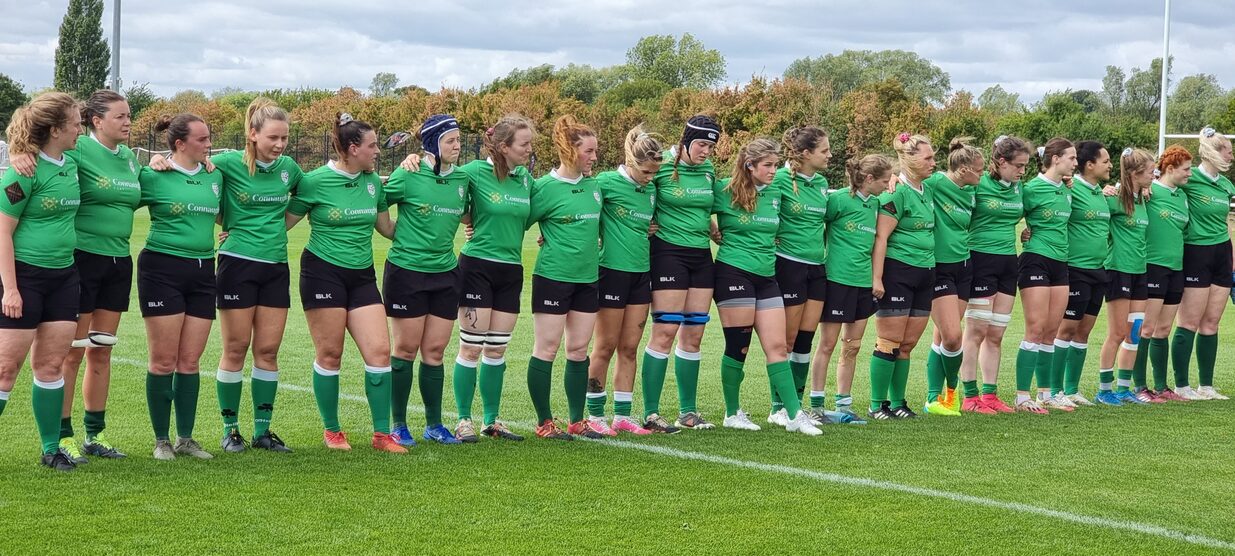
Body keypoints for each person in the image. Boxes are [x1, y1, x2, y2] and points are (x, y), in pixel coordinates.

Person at [10, 89, 138, 459]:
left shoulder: (130, 158)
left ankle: (94, 434)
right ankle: (62, 435)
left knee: (101, 350)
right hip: (81, 259)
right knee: (70, 354)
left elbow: (142, 194)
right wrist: (18, 153)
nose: (129, 121)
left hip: (119, 260)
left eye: (129, 114)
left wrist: (165, 164)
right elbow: (39, 150)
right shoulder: (77, 148)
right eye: (121, 116)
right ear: (95, 121)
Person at [405, 115, 535, 441]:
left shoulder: (525, 180)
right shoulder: (473, 172)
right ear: (504, 147)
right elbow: (447, 189)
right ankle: (464, 420)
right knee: (472, 348)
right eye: (525, 144)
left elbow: (535, 214)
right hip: (476, 267)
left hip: (511, 270)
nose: (530, 150)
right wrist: (415, 158)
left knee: (497, 349)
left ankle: (492, 420)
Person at [287, 113, 404, 453]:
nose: (378, 151)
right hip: (322, 272)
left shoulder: (373, 183)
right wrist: (237, 228)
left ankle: (382, 435)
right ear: (353, 149)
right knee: (330, 353)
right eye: (372, 146)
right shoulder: (314, 181)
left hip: (362, 274)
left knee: (381, 352)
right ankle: (332, 431)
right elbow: (283, 223)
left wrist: (430, 224)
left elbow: (387, 229)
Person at [208, 98, 301, 453]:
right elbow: (192, 173)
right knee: (235, 347)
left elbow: (306, 198)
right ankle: (230, 430)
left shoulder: (289, 168)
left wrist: (279, 228)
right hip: (237, 265)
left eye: (284, 139)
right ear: (252, 134)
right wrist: (226, 223)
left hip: (275, 266)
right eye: (273, 138)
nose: (279, 145)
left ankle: (263, 431)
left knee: (268, 350)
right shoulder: (228, 163)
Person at [711, 138, 821, 435]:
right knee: (739, 346)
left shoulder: (779, 189)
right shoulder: (723, 190)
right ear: (749, 166)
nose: (774, 170)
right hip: (733, 274)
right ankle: (732, 412)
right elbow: (690, 208)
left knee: (777, 347)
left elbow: (811, 197)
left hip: (767, 276)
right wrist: (712, 231)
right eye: (768, 165)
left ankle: (794, 415)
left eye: (776, 164)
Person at [0, 92, 83, 470]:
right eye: (76, 124)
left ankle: (52, 450)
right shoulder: (23, 170)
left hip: (64, 276)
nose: (80, 128)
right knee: (6, 368)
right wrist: (11, 288)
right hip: (24, 278)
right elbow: (3, 232)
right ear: (55, 130)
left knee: (51, 365)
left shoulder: (74, 161)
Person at [137, 113, 222, 460]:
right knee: (163, 361)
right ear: (179, 144)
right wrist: (155, 160)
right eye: (202, 140)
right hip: (162, 269)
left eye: (208, 138)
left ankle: (186, 439)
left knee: (190, 360)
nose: (208, 144)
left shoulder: (215, 177)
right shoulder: (154, 175)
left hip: (204, 270)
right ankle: (161, 440)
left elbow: (226, 215)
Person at [383, 114, 467, 445]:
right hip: (407, 272)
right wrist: (391, 231)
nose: (457, 146)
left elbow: (474, 211)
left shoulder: (463, 178)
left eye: (459, 139)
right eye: (450, 140)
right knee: (405, 349)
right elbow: (377, 201)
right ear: (432, 144)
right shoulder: (409, 173)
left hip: (446, 274)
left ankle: (434, 424)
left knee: (434, 350)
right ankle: (399, 424)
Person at [641, 115, 722, 432]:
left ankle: (688, 412)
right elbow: (637, 189)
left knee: (694, 334)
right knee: (665, 332)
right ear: (686, 140)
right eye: (702, 144)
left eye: (711, 146)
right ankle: (651, 413)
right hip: (667, 254)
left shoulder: (709, 170)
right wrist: (643, 222)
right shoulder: (661, 165)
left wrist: (713, 229)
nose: (706, 152)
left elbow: (704, 207)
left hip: (701, 256)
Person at [524, 115, 603, 440]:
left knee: (579, 349)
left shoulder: (595, 186)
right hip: (553, 278)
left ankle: (576, 420)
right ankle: (544, 422)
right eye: (589, 151)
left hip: (588, 279)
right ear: (570, 150)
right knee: (547, 348)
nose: (594, 157)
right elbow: (518, 221)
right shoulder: (544, 188)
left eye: (595, 151)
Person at [584, 125, 663, 435]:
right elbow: (582, 210)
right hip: (610, 273)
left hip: (641, 274)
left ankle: (622, 415)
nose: (649, 177)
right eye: (645, 171)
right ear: (630, 161)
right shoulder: (605, 182)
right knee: (605, 345)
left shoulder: (651, 190)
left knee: (629, 347)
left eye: (654, 172)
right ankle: (594, 415)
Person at [809, 155, 892, 423]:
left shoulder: (877, 204)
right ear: (869, 179)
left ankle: (844, 406)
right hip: (836, 281)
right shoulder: (839, 200)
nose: (887, 185)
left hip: (863, 284)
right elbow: (815, 227)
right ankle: (817, 406)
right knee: (828, 344)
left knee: (852, 346)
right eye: (884, 181)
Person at [959, 135, 1031, 414]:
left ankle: (989, 395)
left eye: (1025, 166)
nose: (1022, 171)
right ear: (1001, 162)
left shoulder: (1018, 189)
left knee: (996, 333)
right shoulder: (979, 184)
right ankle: (969, 396)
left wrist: (1027, 231)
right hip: (979, 260)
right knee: (975, 330)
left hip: (1007, 263)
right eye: (1018, 165)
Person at [868, 133, 936, 420]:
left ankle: (898, 403)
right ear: (909, 159)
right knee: (889, 341)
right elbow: (881, 238)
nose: (934, 162)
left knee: (907, 344)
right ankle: (876, 404)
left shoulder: (928, 189)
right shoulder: (896, 192)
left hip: (926, 273)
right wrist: (878, 279)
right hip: (898, 272)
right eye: (928, 157)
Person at [769, 126, 831, 425]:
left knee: (806, 339)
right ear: (805, 154)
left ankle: (796, 404)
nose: (830, 155)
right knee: (787, 339)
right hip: (788, 265)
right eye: (824, 151)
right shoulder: (778, 179)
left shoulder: (821, 183)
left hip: (817, 267)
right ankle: (778, 407)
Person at [1014, 138, 1077, 413]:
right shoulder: (1030, 189)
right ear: (1054, 159)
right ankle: (1020, 397)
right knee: (1036, 329)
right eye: (1071, 158)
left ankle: (1046, 393)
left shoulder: (1066, 189)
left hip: (1060, 264)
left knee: (1051, 332)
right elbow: (1009, 215)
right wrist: (1022, 232)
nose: (1075, 163)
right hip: (1035, 260)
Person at [1049, 141, 1114, 407]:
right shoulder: (1070, 189)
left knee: (1083, 332)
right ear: (1089, 165)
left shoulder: (1101, 193)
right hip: (1075, 269)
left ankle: (1072, 388)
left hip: (1099, 270)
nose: (1110, 165)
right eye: (1106, 161)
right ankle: (1053, 391)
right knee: (1066, 330)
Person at [922, 138, 983, 416]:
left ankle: (937, 398)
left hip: (964, 266)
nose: (981, 174)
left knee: (943, 335)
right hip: (939, 267)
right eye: (978, 170)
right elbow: (906, 180)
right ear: (961, 169)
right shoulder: (935, 183)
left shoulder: (970, 191)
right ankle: (948, 391)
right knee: (953, 337)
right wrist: (893, 182)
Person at [1172, 127, 1235, 400]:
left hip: (1223, 252)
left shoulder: (1226, 185)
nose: (1232, 156)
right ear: (1214, 152)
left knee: (1212, 322)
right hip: (1196, 252)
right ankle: (1182, 386)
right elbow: (1156, 182)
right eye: (1228, 151)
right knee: (1189, 321)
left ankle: (1206, 386)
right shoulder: (1189, 177)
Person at [1095, 148, 1155, 405]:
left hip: (1140, 271)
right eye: (1151, 172)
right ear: (1135, 173)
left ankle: (1123, 388)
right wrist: (1101, 190)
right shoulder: (1113, 199)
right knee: (1117, 332)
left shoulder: (1143, 198)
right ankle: (1104, 390)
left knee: (1135, 332)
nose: (1155, 176)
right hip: (1117, 270)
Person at [1140, 146, 1194, 402]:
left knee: (1163, 329)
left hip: (1176, 268)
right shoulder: (1149, 191)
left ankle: (1161, 387)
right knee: (1146, 328)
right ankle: (1139, 386)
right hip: (1153, 265)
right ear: (1170, 169)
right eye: (1186, 169)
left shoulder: (1182, 196)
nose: (1189, 174)